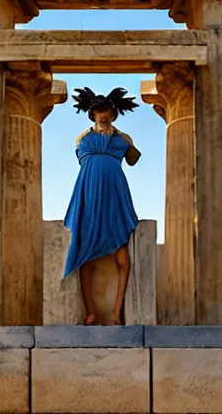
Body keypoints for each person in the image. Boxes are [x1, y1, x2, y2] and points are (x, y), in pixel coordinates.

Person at [63, 87, 141, 326]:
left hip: (115, 194)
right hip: (88, 194)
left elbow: (134, 159)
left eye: (106, 110)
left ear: (113, 113)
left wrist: (130, 144)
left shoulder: (122, 138)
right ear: (93, 114)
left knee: (122, 256)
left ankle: (117, 313)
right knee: (85, 255)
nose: (102, 114)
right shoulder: (82, 138)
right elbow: (86, 162)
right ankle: (91, 312)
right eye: (98, 110)